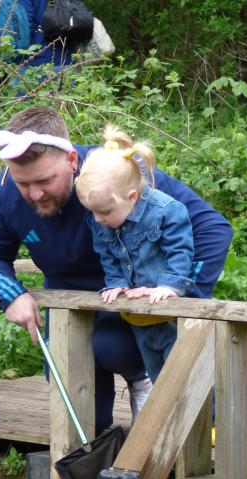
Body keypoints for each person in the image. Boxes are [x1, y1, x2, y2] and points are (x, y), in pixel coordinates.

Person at [0, 105, 233, 433]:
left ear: (72, 161)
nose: (35, 194)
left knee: (116, 349)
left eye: (45, 180)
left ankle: (143, 384)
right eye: (24, 184)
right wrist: (13, 296)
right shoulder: (5, 192)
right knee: (83, 424)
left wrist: (182, 294)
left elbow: (212, 228)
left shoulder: (111, 173)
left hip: (131, 306)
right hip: (68, 312)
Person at [75, 126, 195, 384]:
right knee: (158, 378)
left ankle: (211, 425)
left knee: (186, 377)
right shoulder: (100, 220)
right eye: (92, 213)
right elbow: (107, 254)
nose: (97, 220)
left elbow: (180, 250)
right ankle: (169, 424)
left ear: (131, 197)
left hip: (171, 317)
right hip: (138, 318)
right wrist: (116, 282)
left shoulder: (166, 212)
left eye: (104, 212)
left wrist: (169, 285)